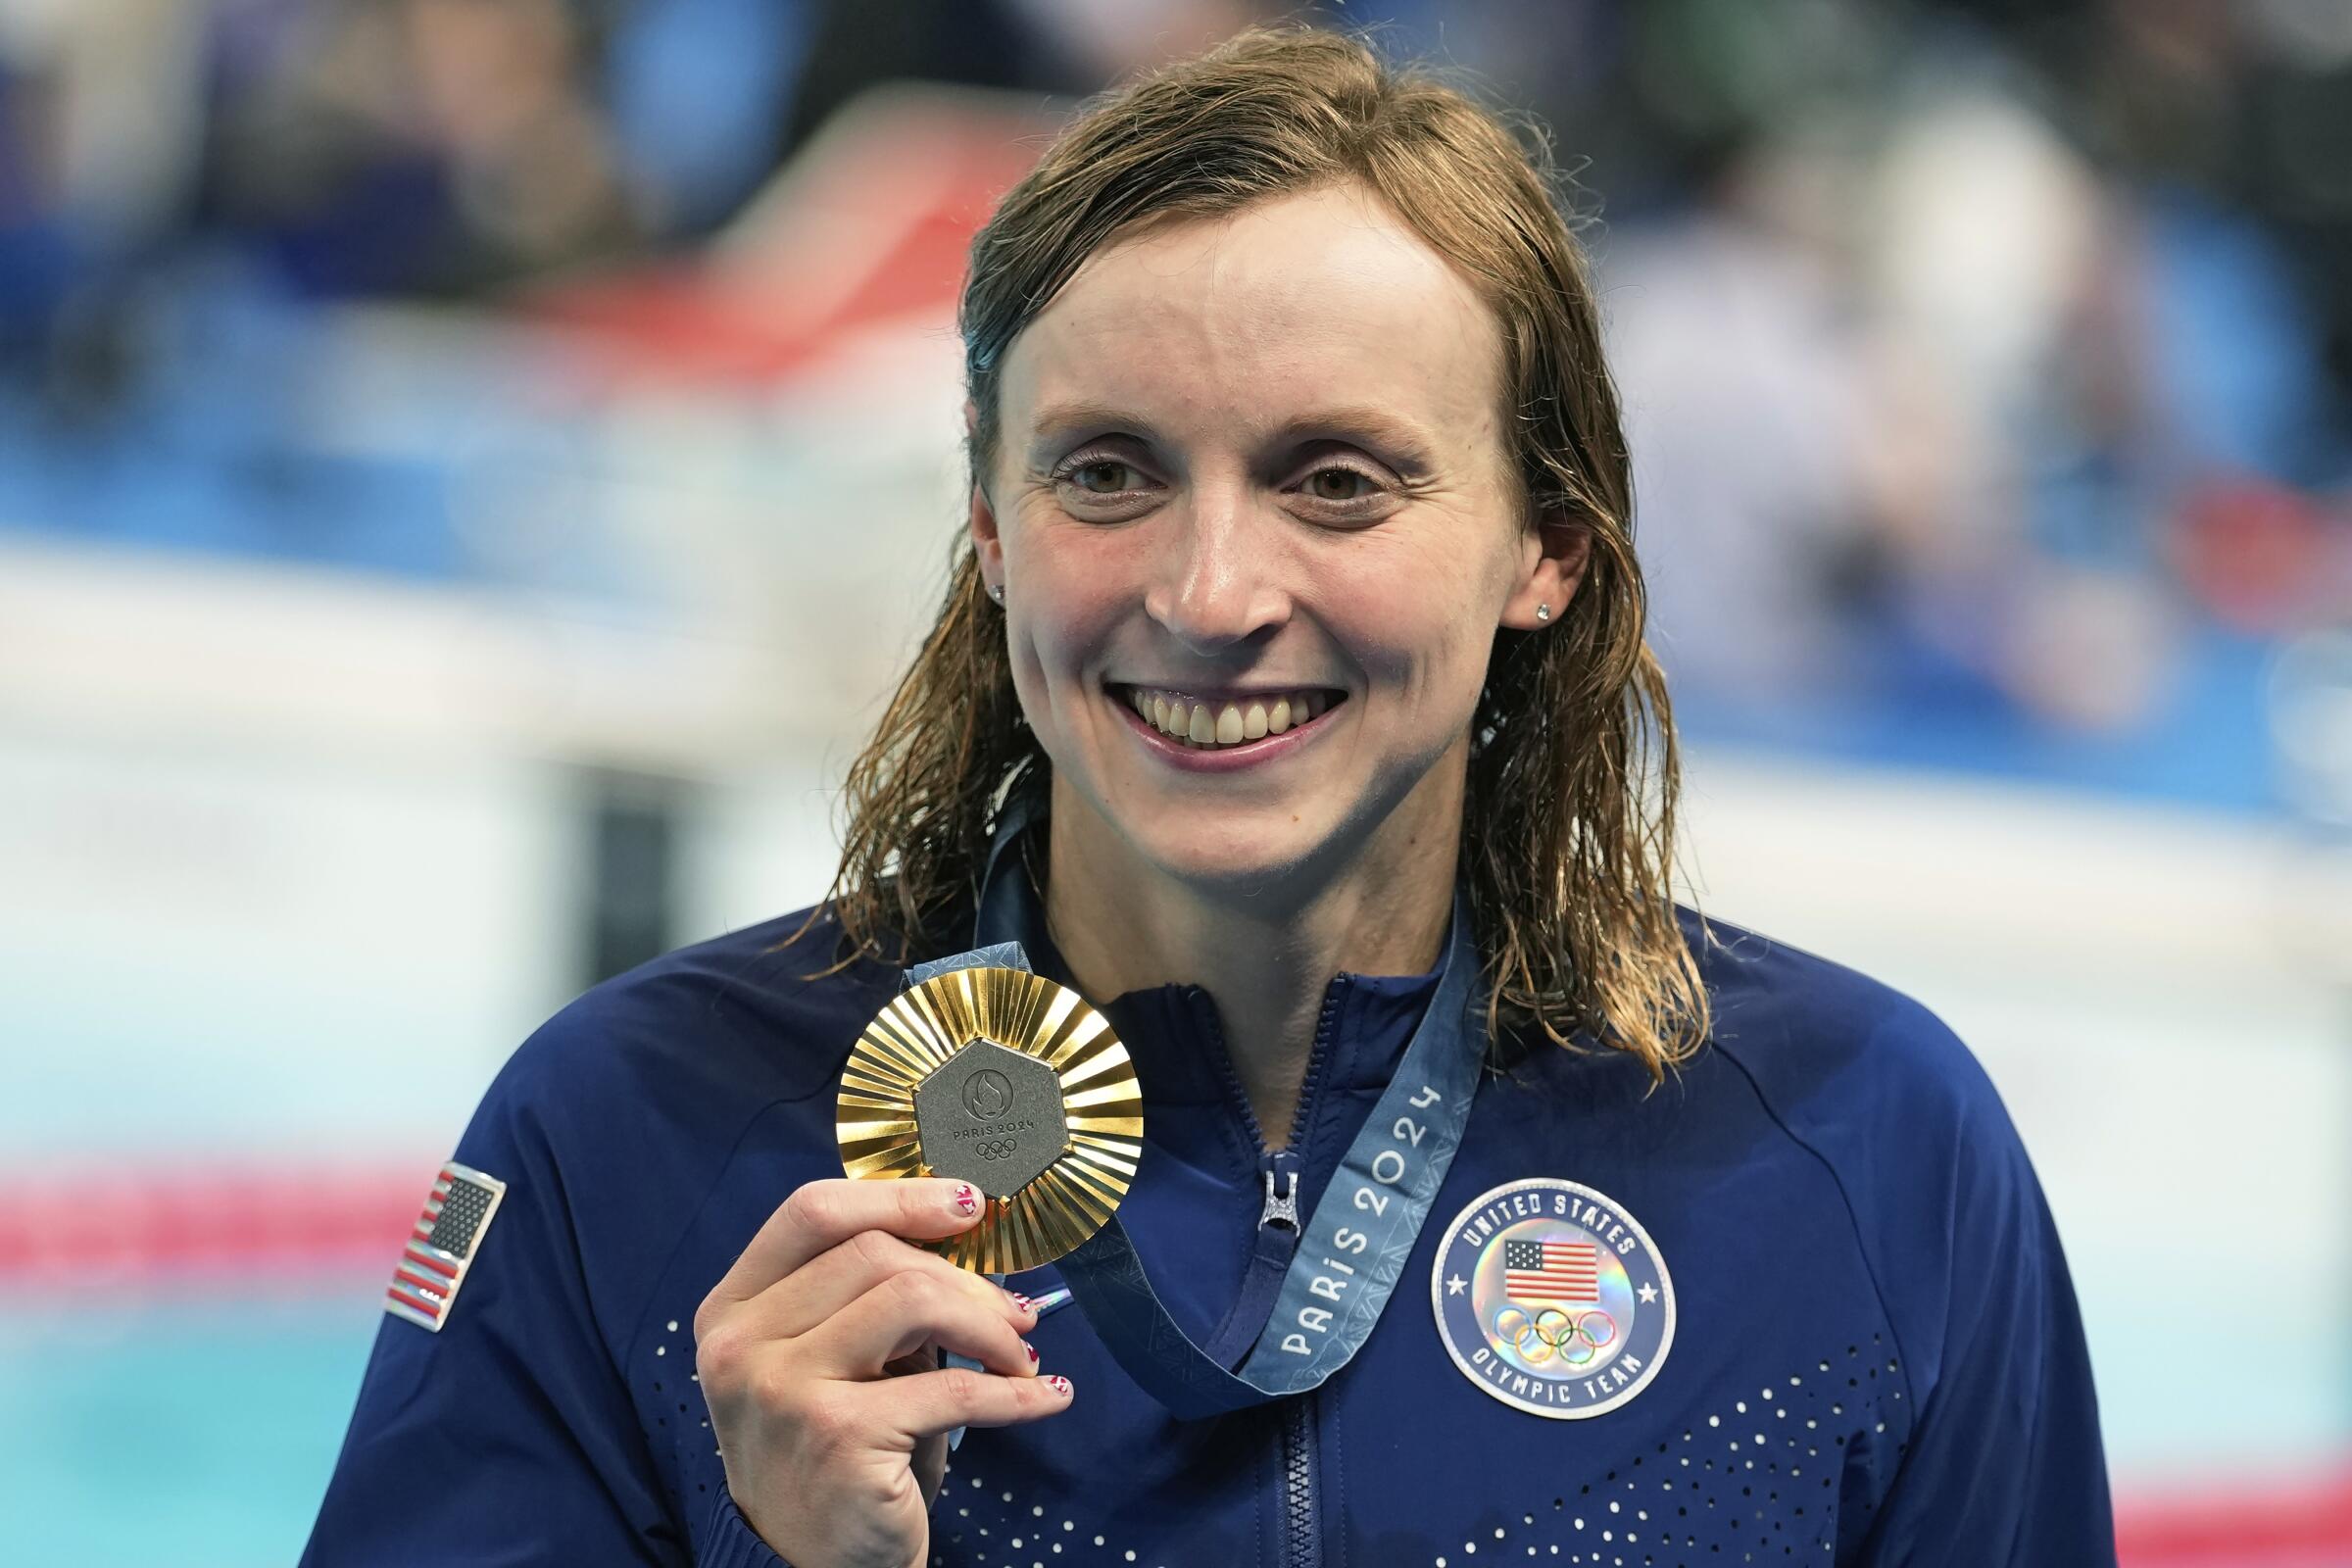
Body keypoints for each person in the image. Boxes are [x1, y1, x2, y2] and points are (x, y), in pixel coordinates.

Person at [301, 25, 2114, 1568]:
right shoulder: (635, 1136)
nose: (1208, 592)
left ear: (1546, 549)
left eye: (1337, 480)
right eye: (1110, 474)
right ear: (994, 534)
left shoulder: (1864, 1153)